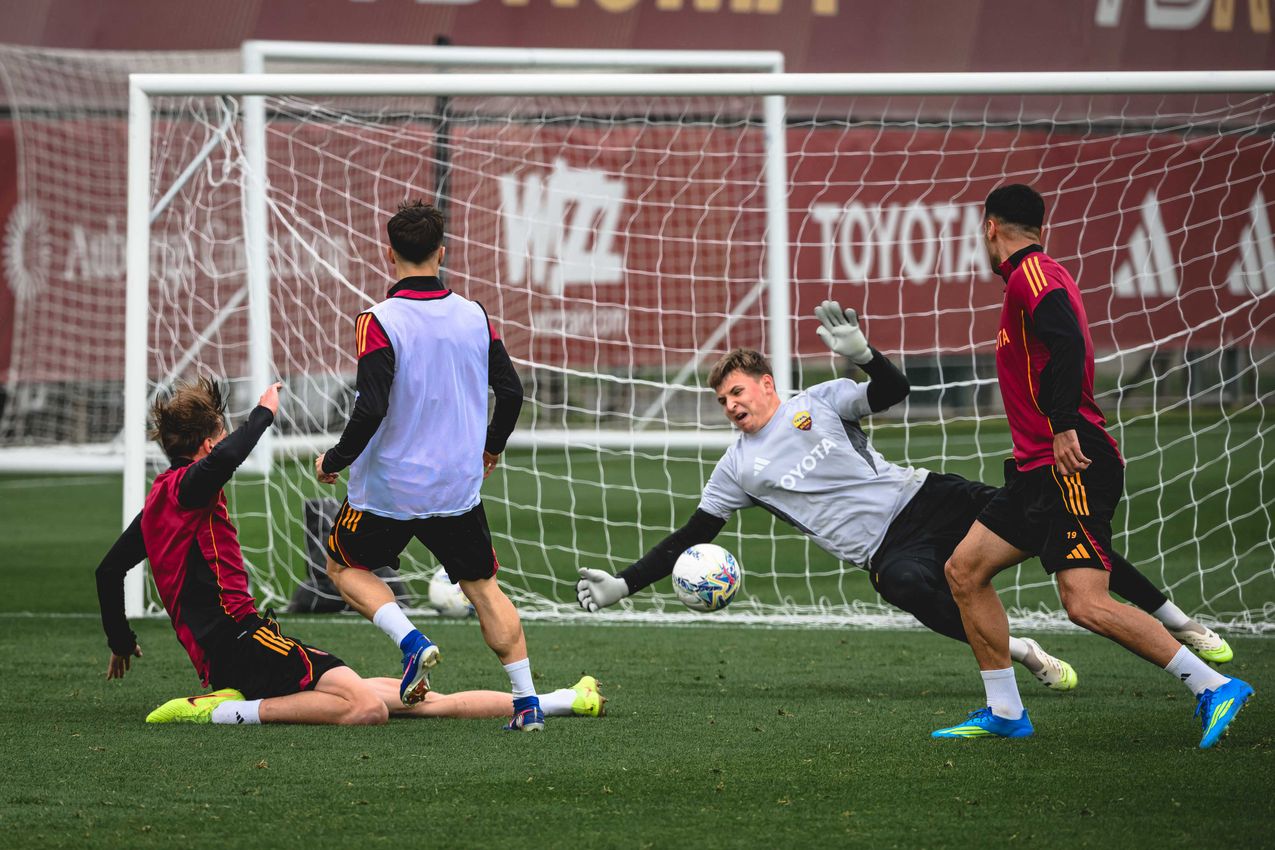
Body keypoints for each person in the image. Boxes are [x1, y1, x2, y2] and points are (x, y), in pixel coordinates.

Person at [576, 309, 1232, 690]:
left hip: (927, 498)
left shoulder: (819, 402)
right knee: (903, 585)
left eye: (738, 393)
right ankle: (1022, 653)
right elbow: (689, 537)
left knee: (1060, 525)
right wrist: (622, 585)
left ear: (768, 385)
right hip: (888, 548)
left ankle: (1177, 620)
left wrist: (863, 355)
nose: (731, 406)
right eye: (722, 401)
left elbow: (890, 394)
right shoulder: (736, 469)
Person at [932, 184, 1252, 747]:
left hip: (1071, 462)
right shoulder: (1036, 276)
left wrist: (1061, 425)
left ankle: (1213, 685)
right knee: (964, 571)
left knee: (1085, 602)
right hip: (1037, 470)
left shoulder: (1033, 276)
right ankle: (1005, 710)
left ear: (989, 227)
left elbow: (1068, 346)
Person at [95, 377, 606, 726]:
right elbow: (229, 455)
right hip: (244, 642)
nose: (225, 440)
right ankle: (220, 712)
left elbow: (109, 570)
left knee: (419, 702)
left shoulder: (162, 504)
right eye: (220, 434)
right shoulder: (188, 487)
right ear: (206, 446)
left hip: (229, 656)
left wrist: (120, 639)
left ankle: (562, 701)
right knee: (366, 708)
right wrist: (264, 413)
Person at [314, 201, 545, 731]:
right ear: (442, 253)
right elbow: (510, 392)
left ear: (388, 253)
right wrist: (492, 447)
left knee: (343, 567)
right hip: (455, 490)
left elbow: (370, 407)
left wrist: (335, 460)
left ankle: (411, 639)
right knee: (483, 587)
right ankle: (527, 701)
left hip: (389, 490)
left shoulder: (377, 321)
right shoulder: (474, 314)